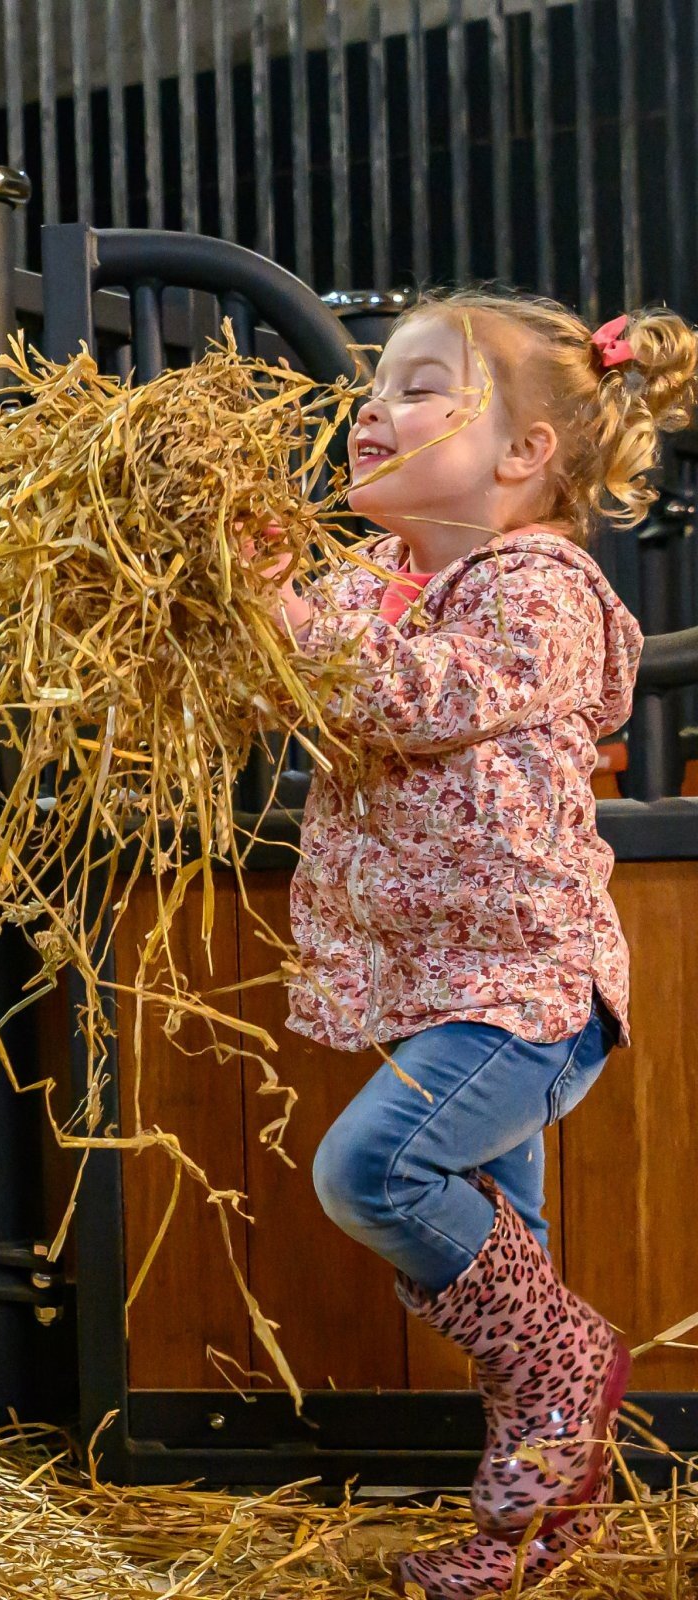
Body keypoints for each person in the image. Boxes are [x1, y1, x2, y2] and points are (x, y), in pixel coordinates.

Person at [267, 291, 697, 1599]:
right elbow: (290, 677)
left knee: (376, 1172)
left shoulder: (539, 589)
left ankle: (569, 1362)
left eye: (416, 388)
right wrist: (242, 591)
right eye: (372, 388)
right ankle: (527, 1530)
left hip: (526, 988)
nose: (370, 412)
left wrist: (283, 614)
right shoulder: (375, 582)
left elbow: (412, 695)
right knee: (512, 1255)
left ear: (523, 454)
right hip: (433, 983)